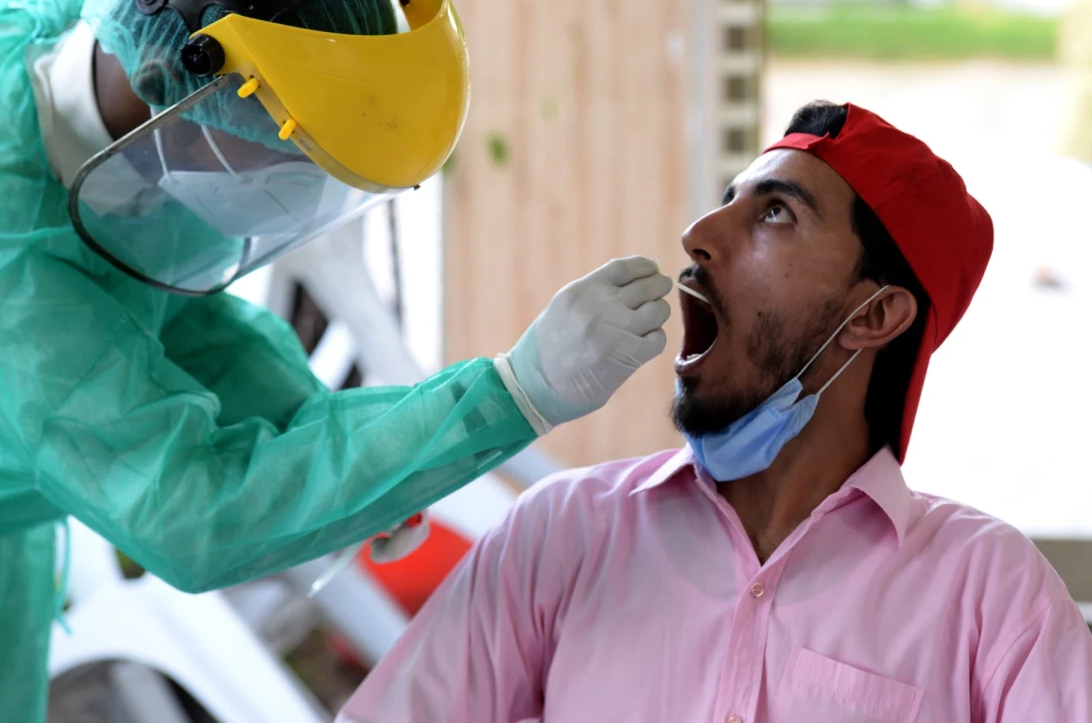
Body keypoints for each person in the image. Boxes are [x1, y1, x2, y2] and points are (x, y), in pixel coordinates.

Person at [0, 0, 673, 722]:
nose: (300, 180)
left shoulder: (123, 51)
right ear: (176, 88)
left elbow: (171, 314)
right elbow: (187, 512)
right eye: (289, 153)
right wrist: (511, 393)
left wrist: (362, 451)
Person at [339, 101, 1092, 723]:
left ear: (873, 316)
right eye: (730, 199)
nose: (700, 235)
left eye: (774, 214)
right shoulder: (560, 535)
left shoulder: (989, 590)